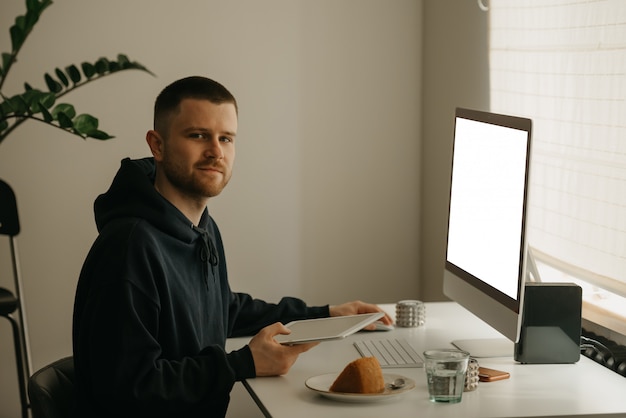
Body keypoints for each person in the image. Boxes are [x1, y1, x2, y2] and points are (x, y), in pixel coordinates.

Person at [72, 76, 391, 418]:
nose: (216, 151)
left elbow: (223, 309)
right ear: (157, 145)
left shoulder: (201, 229)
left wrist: (324, 316)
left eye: (226, 138)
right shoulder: (129, 248)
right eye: (198, 136)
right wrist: (243, 363)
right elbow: (128, 389)